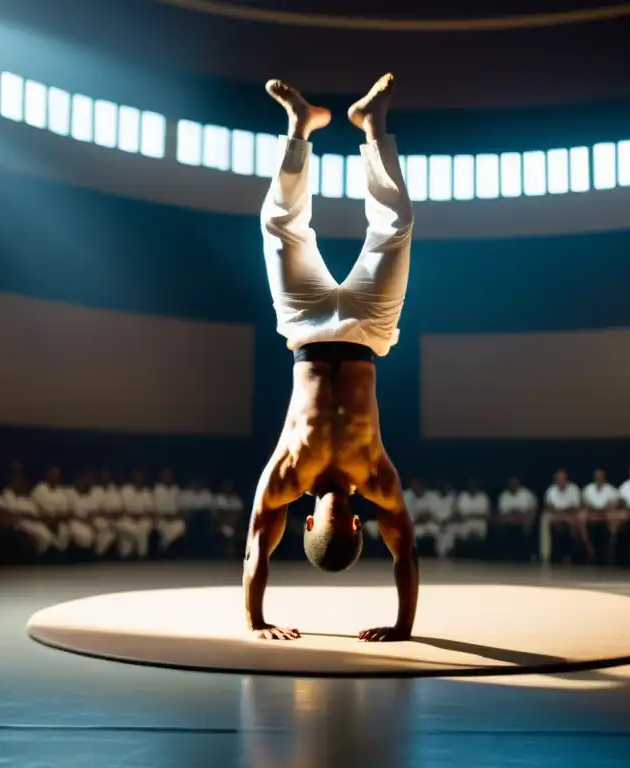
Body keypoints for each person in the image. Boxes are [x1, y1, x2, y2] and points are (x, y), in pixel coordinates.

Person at [243, 74, 418, 643]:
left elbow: (255, 548)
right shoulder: (377, 476)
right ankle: (372, 125)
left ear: (311, 521)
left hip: (304, 328)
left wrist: (257, 620)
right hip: (369, 330)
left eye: (330, 515)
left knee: (278, 226)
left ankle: (300, 126)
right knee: (396, 227)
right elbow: (406, 555)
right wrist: (401, 625)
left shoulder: (286, 476)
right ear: (358, 520)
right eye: (351, 515)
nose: (342, 505)